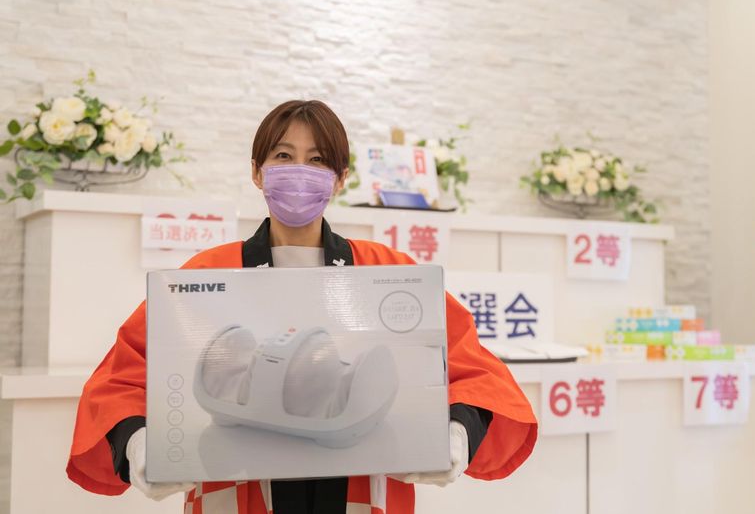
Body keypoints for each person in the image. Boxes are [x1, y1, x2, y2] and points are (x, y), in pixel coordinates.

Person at [67, 100, 538, 514]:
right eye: (283, 156)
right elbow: (123, 375)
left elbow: (474, 369)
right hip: (233, 488)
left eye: (317, 160)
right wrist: (139, 442)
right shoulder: (206, 274)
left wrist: (456, 432)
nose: (299, 171)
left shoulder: (388, 271)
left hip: (364, 488)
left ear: (340, 178)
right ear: (257, 171)